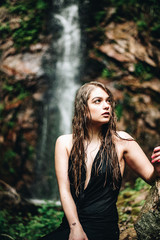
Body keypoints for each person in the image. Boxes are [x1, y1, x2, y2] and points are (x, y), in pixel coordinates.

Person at [40, 81, 160, 240]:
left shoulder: (122, 141)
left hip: (104, 228)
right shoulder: (64, 142)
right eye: (98, 101)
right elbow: (64, 190)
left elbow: (151, 177)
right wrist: (75, 228)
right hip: (71, 225)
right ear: (83, 108)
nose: (107, 106)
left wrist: (158, 168)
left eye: (108, 101)